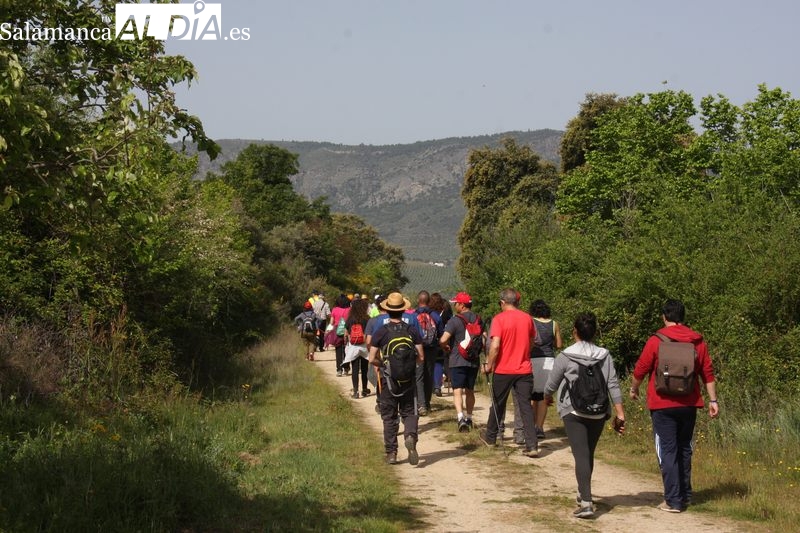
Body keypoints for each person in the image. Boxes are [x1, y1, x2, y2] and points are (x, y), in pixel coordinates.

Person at [629, 299, 719, 513]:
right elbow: (708, 373)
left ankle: (673, 500)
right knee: (684, 448)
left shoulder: (656, 340)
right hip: (689, 403)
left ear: (664, 316)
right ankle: (685, 495)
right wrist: (713, 400)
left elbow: (641, 368)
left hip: (662, 404)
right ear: (683, 317)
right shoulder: (697, 341)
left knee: (667, 450)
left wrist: (634, 389)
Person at [544, 312, 625, 519]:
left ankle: (587, 503)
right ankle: (583, 493)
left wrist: (546, 397)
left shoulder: (566, 356)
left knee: (580, 455)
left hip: (573, 411)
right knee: (587, 453)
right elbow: (612, 384)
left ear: (575, 332)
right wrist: (619, 413)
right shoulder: (605, 355)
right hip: (599, 412)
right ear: (595, 332)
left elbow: (552, 383)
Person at [480, 288, 539, 457]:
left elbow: (495, 345)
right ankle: (532, 445)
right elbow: (532, 341)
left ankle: (491, 438)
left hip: (504, 369)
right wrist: (524, 354)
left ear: (502, 302)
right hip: (524, 369)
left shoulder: (499, 319)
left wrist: (489, 365)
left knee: (498, 403)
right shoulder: (527, 318)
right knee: (525, 406)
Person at [368, 292, 425, 465]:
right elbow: (421, 356)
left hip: (388, 380)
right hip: (408, 379)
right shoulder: (411, 330)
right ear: (403, 310)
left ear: (386, 309)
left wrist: (385, 364)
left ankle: (391, 453)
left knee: (390, 417)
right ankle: (410, 436)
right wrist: (409, 366)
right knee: (409, 412)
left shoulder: (381, 332)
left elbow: (371, 359)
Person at [439, 292, 483, 432]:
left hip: (457, 359)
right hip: (473, 360)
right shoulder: (478, 319)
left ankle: (460, 418)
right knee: (470, 391)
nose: (454, 305)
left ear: (462, 305)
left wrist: (444, 347)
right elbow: (485, 338)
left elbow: (443, 339)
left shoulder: (454, 320)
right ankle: (469, 418)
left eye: (456, 303)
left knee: (457, 390)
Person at [530, 299, 563, 439]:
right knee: (544, 396)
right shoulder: (554, 323)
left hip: (532, 359)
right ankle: (540, 427)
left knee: (532, 396)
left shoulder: (530, 322)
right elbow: (559, 345)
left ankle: (531, 427)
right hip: (549, 361)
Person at [413, 290, 441, 416]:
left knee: (418, 376)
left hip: (417, 348)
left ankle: (420, 403)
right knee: (429, 375)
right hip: (431, 348)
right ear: (429, 301)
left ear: (418, 301)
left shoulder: (413, 315)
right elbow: (440, 333)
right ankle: (427, 403)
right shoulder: (435, 315)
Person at [345, 298, 371, 398]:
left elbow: (346, 332)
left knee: (355, 370)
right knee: (364, 369)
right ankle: (364, 389)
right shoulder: (367, 318)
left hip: (354, 346)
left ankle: (355, 391)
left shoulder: (350, 318)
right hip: (364, 346)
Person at [429, 292, 449, 397]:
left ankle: (429, 386)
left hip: (423, 344)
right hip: (435, 344)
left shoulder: (424, 314)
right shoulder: (437, 316)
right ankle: (437, 386)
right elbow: (441, 332)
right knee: (438, 363)